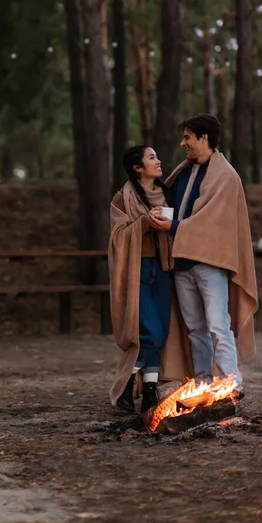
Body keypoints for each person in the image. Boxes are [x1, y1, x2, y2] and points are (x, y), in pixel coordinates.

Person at [149, 114, 258, 396]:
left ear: (204, 138)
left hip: (210, 264)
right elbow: (175, 207)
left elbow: (212, 222)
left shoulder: (225, 176)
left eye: (187, 137)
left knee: (218, 326)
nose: (183, 143)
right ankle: (202, 384)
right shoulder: (183, 172)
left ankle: (231, 385)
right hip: (182, 263)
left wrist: (172, 225)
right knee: (195, 329)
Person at [108, 145, 193, 414]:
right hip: (138, 270)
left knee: (161, 334)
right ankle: (124, 386)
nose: (158, 161)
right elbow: (117, 237)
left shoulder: (167, 194)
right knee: (150, 331)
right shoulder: (123, 197)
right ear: (137, 167)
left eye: (157, 156)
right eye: (152, 157)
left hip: (164, 269)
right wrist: (144, 224)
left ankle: (149, 391)